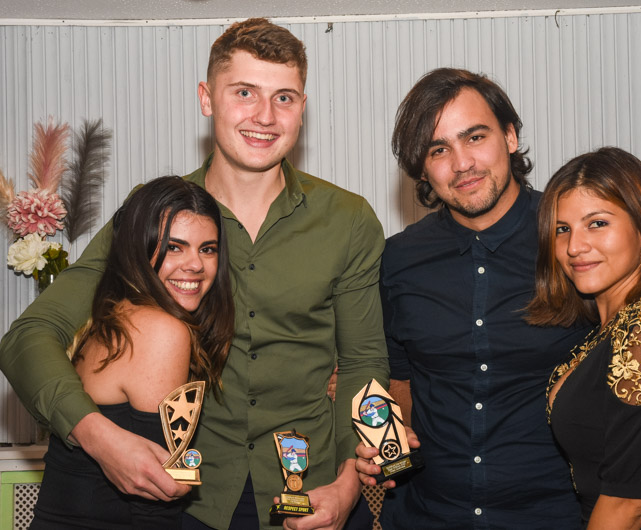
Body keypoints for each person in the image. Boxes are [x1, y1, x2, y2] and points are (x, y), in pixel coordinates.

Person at [0, 18, 389, 530]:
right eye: (244, 92)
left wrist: (348, 483)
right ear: (207, 99)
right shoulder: (153, 213)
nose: (265, 116)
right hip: (190, 503)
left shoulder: (348, 218)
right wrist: (98, 436)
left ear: (302, 107)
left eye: (284, 98)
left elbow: (362, 361)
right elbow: (29, 336)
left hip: (311, 492)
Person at [356, 68, 641, 529]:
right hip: (429, 515)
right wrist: (394, 435)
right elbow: (402, 374)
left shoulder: (575, 242)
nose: (462, 163)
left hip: (563, 516)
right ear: (421, 167)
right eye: (438, 149)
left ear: (509, 136)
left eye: (475, 137)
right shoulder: (398, 259)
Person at [31, 176, 235, 529]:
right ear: (139, 249)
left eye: (208, 249)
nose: (196, 265)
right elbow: (156, 500)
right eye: (174, 247)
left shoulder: (113, 316)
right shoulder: (160, 331)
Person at [527, 147, 641, 529]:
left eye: (597, 223)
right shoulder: (608, 332)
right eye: (562, 229)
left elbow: (626, 505)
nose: (574, 247)